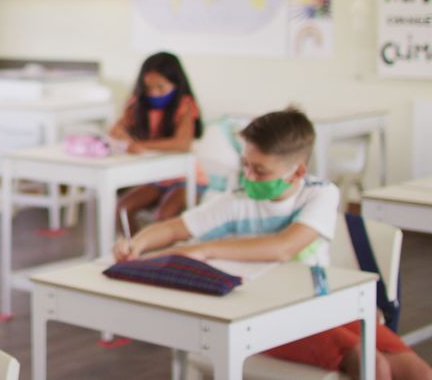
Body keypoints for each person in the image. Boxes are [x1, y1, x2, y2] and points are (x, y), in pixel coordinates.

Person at [114, 108, 432, 379]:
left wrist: (206, 248)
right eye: (246, 166)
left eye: (260, 170)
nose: (249, 177)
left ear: (298, 171)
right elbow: (174, 229)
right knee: (372, 365)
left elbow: (284, 247)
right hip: (263, 317)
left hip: (321, 304)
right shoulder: (237, 200)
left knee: (416, 371)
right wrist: (137, 244)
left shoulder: (321, 194)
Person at [109, 51, 207, 234]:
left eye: (161, 88)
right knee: (122, 207)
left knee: (164, 216)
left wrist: (143, 146)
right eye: (148, 88)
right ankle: (135, 252)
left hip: (185, 178)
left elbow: (182, 144)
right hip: (157, 178)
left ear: (176, 84)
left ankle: (156, 256)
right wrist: (123, 134)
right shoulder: (138, 104)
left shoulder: (185, 105)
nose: (154, 93)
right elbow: (114, 130)